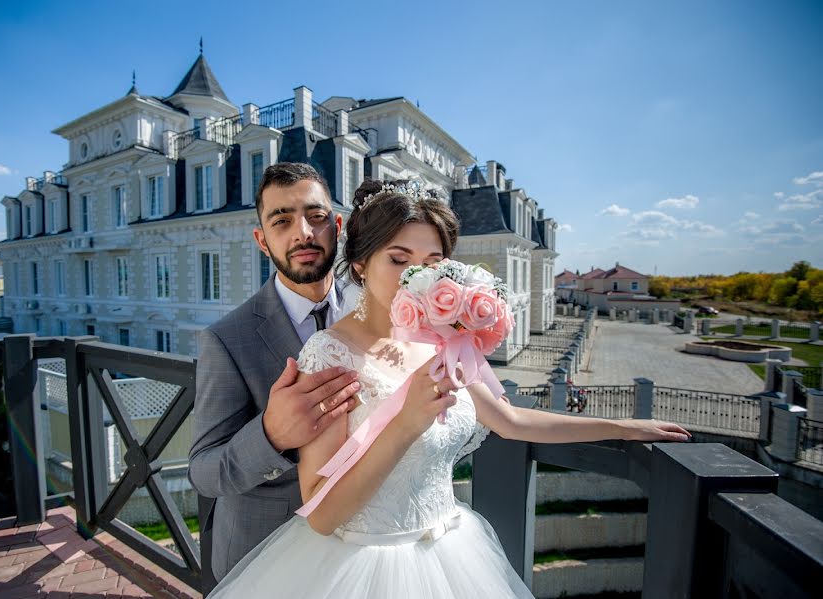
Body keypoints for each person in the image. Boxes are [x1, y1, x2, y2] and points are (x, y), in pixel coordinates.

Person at [206, 180, 692, 598]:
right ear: (359, 264)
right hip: (362, 567)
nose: (418, 276)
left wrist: (624, 427)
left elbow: (511, 419)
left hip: (451, 553)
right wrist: (405, 423)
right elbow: (320, 514)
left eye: (432, 261)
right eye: (399, 259)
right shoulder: (328, 353)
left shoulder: (445, 340)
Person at [188, 162, 361, 581]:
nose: (303, 232)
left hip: (360, 552)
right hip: (266, 559)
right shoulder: (226, 339)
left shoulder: (373, 310)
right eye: (282, 220)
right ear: (262, 241)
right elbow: (204, 472)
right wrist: (272, 437)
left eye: (315, 216)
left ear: (336, 225)